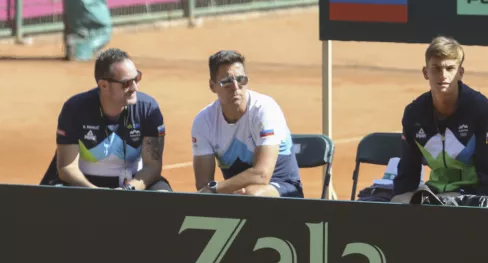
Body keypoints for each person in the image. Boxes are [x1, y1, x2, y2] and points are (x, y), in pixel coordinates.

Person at [392, 36, 488, 207]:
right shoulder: (414, 114)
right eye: (436, 68)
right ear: (426, 72)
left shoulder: (482, 111)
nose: (443, 75)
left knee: (443, 208)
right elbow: (408, 173)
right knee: (396, 204)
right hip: (436, 193)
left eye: (450, 68)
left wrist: (449, 201)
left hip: (480, 197)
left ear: (460, 73)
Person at [48, 47, 170, 191]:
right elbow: (67, 167)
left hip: (134, 184)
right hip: (83, 184)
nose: (135, 88)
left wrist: (128, 189)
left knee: (163, 195)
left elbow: (153, 166)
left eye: (137, 78)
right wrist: (96, 192)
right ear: (104, 85)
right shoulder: (74, 109)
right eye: (127, 83)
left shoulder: (148, 108)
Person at [190, 50, 303, 197]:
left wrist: (217, 188)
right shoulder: (203, 121)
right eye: (226, 82)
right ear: (212, 86)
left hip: (283, 187)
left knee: (251, 195)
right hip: (236, 194)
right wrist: (216, 190)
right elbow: (203, 185)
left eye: (241, 79)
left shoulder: (265, 109)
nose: (236, 87)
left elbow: (262, 175)